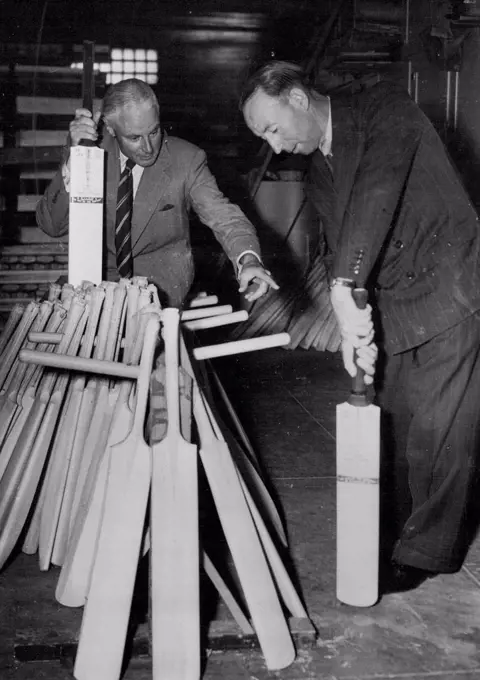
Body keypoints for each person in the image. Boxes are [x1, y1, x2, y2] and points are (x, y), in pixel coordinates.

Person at [240, 60, 480, 595]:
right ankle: (395, 533)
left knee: (442, 427)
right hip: (395, 298)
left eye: (274, 128)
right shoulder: (318, 169)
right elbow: (337, 242)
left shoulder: (385, 111)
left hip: (451, 286)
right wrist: (353, 326)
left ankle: (428, 552)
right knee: (392, 420)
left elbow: (376, 192)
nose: (275, 147)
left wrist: (346, 291)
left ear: (299, 97)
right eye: (264, 137)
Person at [36, 78, 278, 307]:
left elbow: (225, 217)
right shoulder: (90, 153)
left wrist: (248, 259)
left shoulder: (187, 160)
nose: (148, 147)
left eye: (154, 132)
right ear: (109, 128)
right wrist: (74, 158)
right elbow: (52, 226)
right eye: (134, 138)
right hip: (97, 286)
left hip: (161, 290)